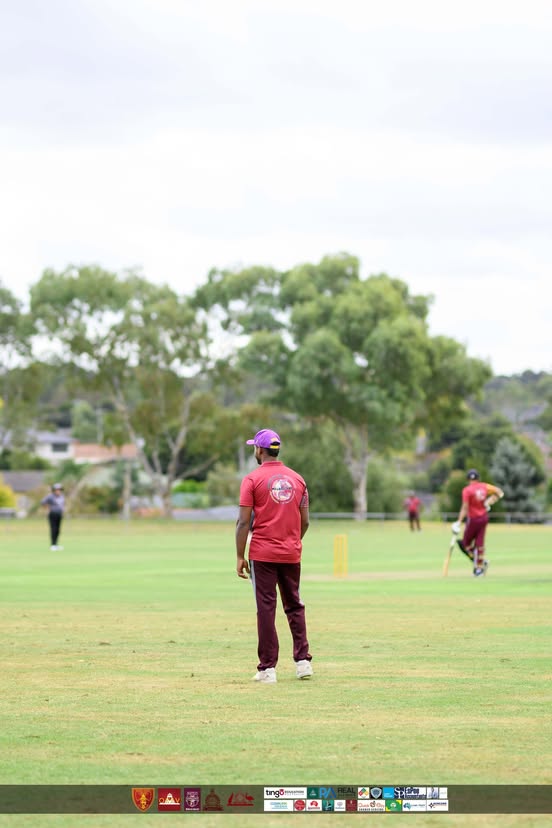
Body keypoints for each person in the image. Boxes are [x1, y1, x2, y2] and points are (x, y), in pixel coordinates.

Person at [236, 428, 312, 684]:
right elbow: (306, 522)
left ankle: (268, 669)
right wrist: (291, 542)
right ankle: (303, 662)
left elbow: (243, 523)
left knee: (266, 609)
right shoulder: (298, 479)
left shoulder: (251, 480)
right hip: (291, 553)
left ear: (259, 449)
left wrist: (239, 556)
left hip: (262, 553)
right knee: (294, 605)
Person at [452, 469, 504, 577]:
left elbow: (465, 508)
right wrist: (488, 502)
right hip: (484, 518)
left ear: (468, 479)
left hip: (473, 519)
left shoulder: (467, 490)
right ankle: (479, 568)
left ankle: (480, 565)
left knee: (465, 544)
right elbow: (499, 492)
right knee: (479, 544)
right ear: (478, 478)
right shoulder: (484, 486)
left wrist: (459, 521)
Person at [41, 483, 65, 550]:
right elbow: (43, 502)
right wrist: (48, 508)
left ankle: (56, 544)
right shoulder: (50, 496)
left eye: (60, 490)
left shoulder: (62, 496)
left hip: (59, 515)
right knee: (53, 529)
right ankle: (52, 545)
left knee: (58, 530)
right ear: (54, 490)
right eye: (57, 490)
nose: (58, 491)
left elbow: (62, 505)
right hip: (52, 514)